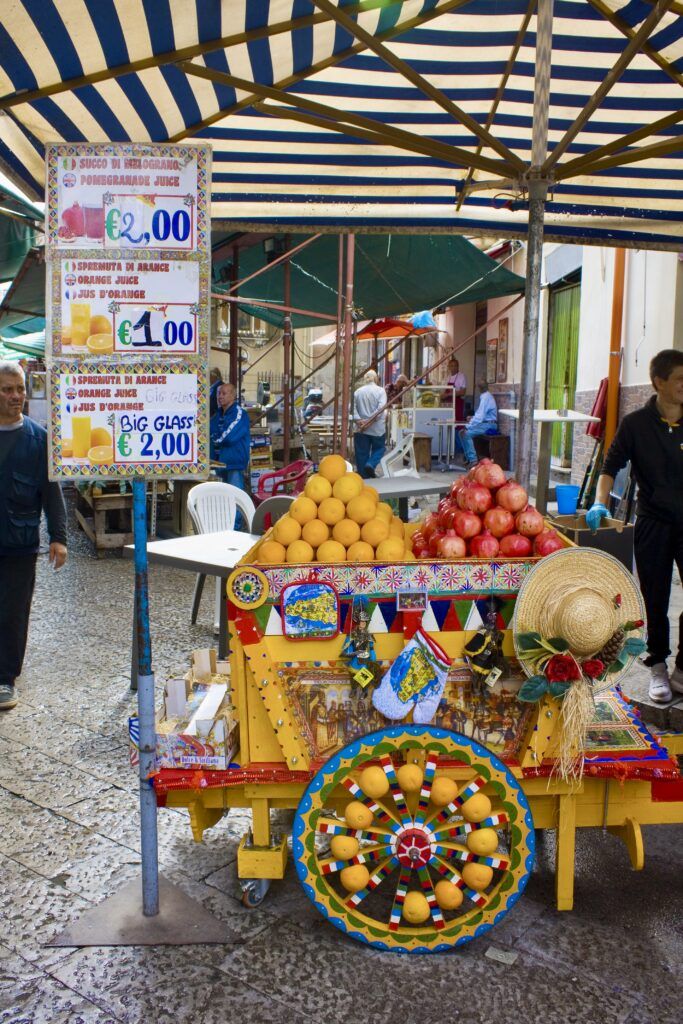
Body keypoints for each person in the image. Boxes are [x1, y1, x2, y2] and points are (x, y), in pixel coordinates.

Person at [587, 349, 683, 704]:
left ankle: (682, 668)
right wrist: (600, 500)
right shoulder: (636, 425)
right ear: (659, 382)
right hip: (653, 522)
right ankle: (658, 664)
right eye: (679, 379)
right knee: (655, 598)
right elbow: (610, 467)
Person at [0, 362, 67, 711]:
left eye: (20, 389)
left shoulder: (39, 440)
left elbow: (51, 491)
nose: (15, 396)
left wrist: (59, 536)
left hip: (19, 542)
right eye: (7, 389)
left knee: (13, 611)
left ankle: (5, 678)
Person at [210, 382, 251, 489]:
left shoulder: (240, 414)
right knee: (222, 501)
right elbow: (209, 432)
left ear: (233, 396)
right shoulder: (217, 415)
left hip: (234, 465)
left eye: (224, 393)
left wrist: (215, 439)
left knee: (235, 499)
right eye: (219, 393)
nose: (220, 396)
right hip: (218, 465)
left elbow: (229, 437)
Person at [353, 369, 387, 479]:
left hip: (360, 428)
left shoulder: (358, 392)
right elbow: (381, 409)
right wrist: (370, 421)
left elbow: (352, 409)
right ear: (376, 379)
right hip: (377, 428)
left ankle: (363, 478)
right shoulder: (381, 391)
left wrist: (359, 421)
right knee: (380, 448)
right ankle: (371, 464)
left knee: (361, 452)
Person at [459, 380, 498, 466]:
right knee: (461, 433)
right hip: (486, 423)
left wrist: (468, 426)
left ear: (478, 388)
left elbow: (480, 417)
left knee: (466, 433)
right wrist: (472, 418)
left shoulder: (485, 397)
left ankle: (473, 460)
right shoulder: (486, 396)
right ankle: (468, 458)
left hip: (489, 425)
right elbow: (482, 415)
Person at [446, 356, 467, 421]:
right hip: (449, 404)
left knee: (457, 422)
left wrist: (449, 394)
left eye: (455, 366)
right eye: (451, 366)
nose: (454, 367)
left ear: (458, 367)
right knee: (449, 421)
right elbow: (445, 390)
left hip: (458, 404)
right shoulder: (448, 377)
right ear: (449, 367)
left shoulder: (461, 376)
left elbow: (463, 392)